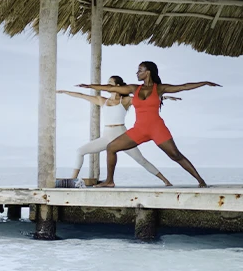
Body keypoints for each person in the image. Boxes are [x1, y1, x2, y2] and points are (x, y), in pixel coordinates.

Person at [77, 61, 219, 188]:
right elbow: (111, 89)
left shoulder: (159, 88)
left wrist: (204, 83)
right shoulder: (134, 88)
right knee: (111, 147)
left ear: (148, 72)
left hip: (157, 128)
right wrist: (90, 86)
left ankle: (200, 180)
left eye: (140, 70)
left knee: (175, 155)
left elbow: (183, 87)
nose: (137, 73)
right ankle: (109, 181)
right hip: (139, 129)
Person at [58, 75, 174, 186]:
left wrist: (165, 97)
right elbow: (82, 96)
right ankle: (72, 180)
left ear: (117, 86)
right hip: (106, 137)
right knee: (80, 151)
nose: (107, 85)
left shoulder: (125, 100)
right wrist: (65, 92)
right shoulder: (102, 100)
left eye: (110, 83)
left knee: (141, 160)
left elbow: (144, 100)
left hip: (123, 136)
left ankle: (165, 180)